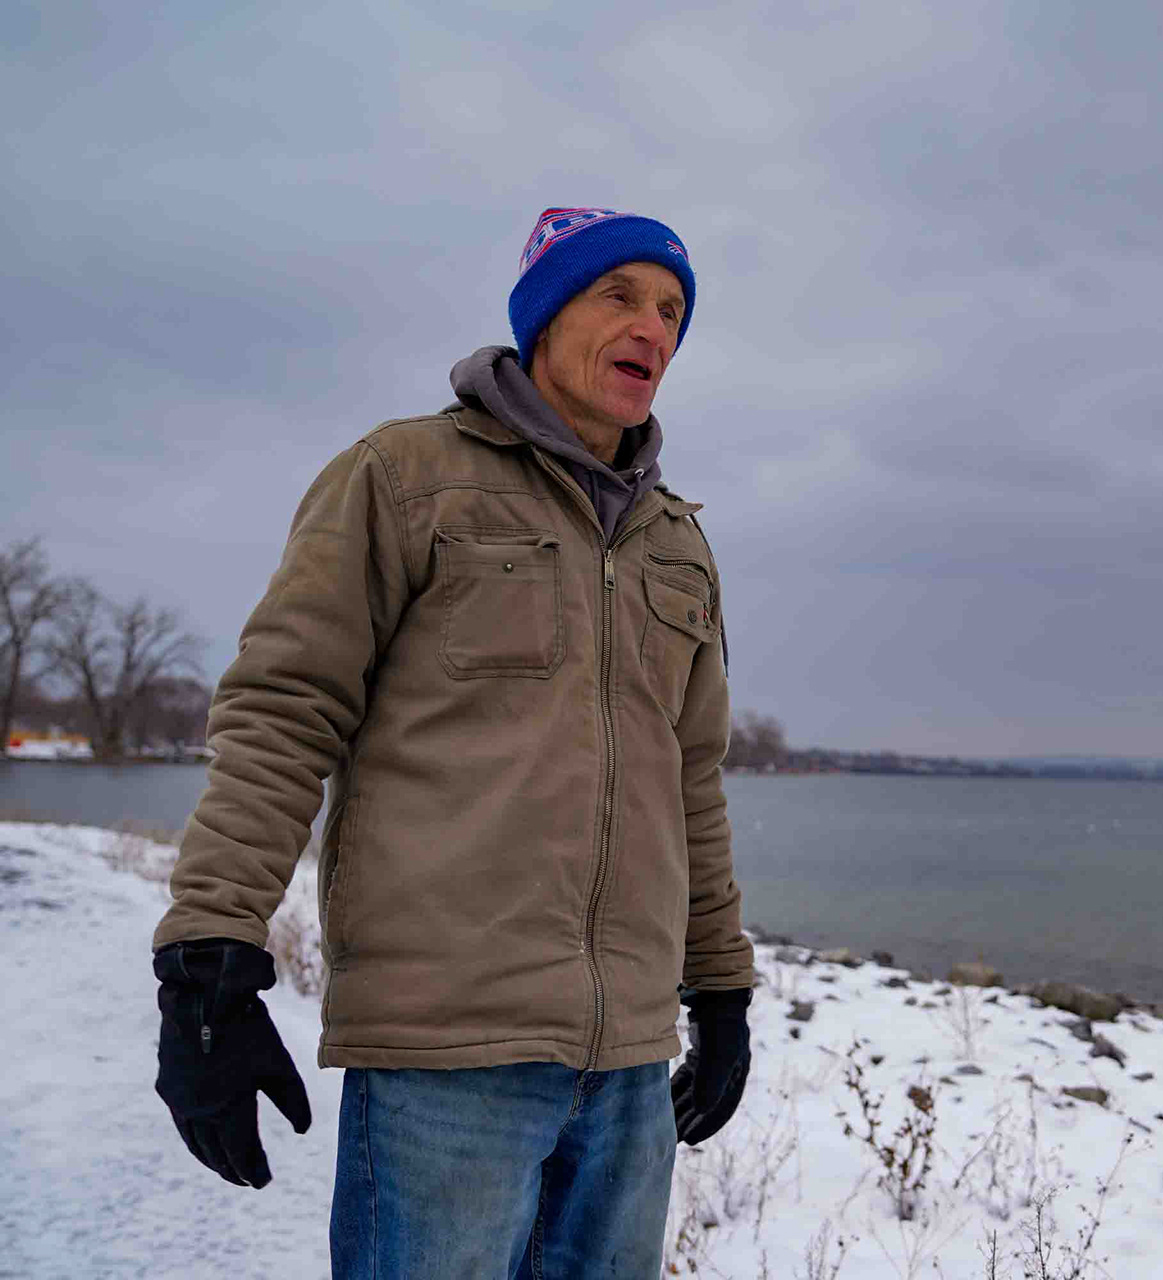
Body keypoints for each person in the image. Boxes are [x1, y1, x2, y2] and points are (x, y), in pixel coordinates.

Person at [150, 207, 756, 1278]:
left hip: (624, 1073)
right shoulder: (403, 478)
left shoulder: (679, 543)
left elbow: (689, 782)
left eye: (672, 310)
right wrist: (209, 953)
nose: (652, 328)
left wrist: (720, 986)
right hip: (448, 1061)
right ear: (542, 313)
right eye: (619, 294)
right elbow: (284, 709)